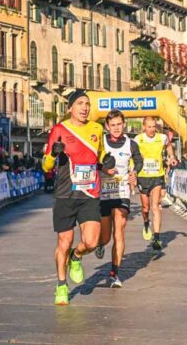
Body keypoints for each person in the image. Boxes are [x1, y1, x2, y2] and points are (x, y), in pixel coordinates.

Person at [42, 90, 113, 306]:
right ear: (70, 107)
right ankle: (61, 285)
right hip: (65, 194)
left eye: (87, 104)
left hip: (90, 193)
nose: (85, 108)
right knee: (64, 241)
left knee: (91, 242)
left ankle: (77, 256)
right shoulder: (59, 130)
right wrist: (54, 154)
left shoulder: (96, 129)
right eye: (80, 103)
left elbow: (99, 156)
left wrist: (105, 163)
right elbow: (46, 166)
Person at [94, 109, 142, 288]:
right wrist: (104, 169)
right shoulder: (101, 142)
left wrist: (134, 172)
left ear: (124, 124)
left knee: (119, 232)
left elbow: (139, 160)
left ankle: (114, 273)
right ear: (107, 126)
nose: (116, 128)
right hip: (104, 192)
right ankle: (100, 243)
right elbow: (93, 161)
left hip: (122, 191)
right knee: (106, 237)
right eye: (112, 125)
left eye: (119, 124)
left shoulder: (130, 144)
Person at [135, 116, 177, 250]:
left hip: (157, 176)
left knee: (155, 206)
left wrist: (172, 157)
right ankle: (146, 222)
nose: (152, 129)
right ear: (144, 127)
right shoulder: (138, 139)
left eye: (154, 126)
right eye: (149, 127)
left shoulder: (162, 138)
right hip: (143, 176)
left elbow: (169, 145)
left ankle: (157, 237)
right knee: (146, 208)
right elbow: (131, 154)